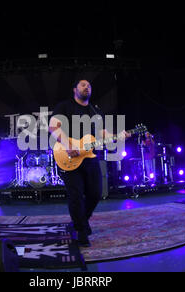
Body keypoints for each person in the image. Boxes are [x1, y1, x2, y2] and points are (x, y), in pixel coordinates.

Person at [49, 80, 130, 247]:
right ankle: (80, 231)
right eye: (83, 85)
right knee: (76, 195)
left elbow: (102, 134)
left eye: (89, 86)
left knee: (96, 193)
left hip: (90, 157)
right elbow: (53, 126)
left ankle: (81, 222)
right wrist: (68, 145)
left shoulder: (95, 111)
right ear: (75, 90)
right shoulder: (64, 106)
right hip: (68, 155)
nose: (87, 87)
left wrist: (118, 135)